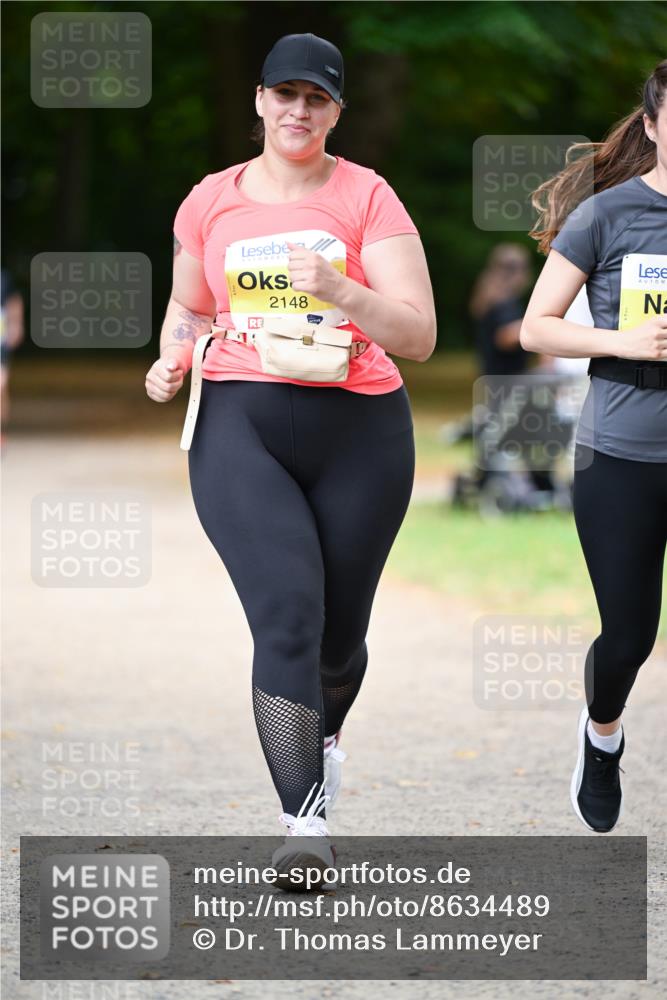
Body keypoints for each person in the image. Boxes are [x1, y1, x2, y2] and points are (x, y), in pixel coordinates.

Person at [144, 33, 436, 883]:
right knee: (287, 619)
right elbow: (187, 311)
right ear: (260, 102)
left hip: (362, 427)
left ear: (336, 111)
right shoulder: (210, 201)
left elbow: (417, 334)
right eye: (284, 94)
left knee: (339, 643)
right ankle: (301, 826)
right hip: (241, 421)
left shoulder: (367, 197)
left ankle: (323, 727)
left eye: (317, 98)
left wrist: (339, 287)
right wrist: (172, 358)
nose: (297, 111)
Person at [520, 59, 667, 833]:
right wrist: (626, 341)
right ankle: (601, 735)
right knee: (630, 635)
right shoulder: (606, 215)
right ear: (651, 124)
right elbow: (535, 326)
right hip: (622, 453)